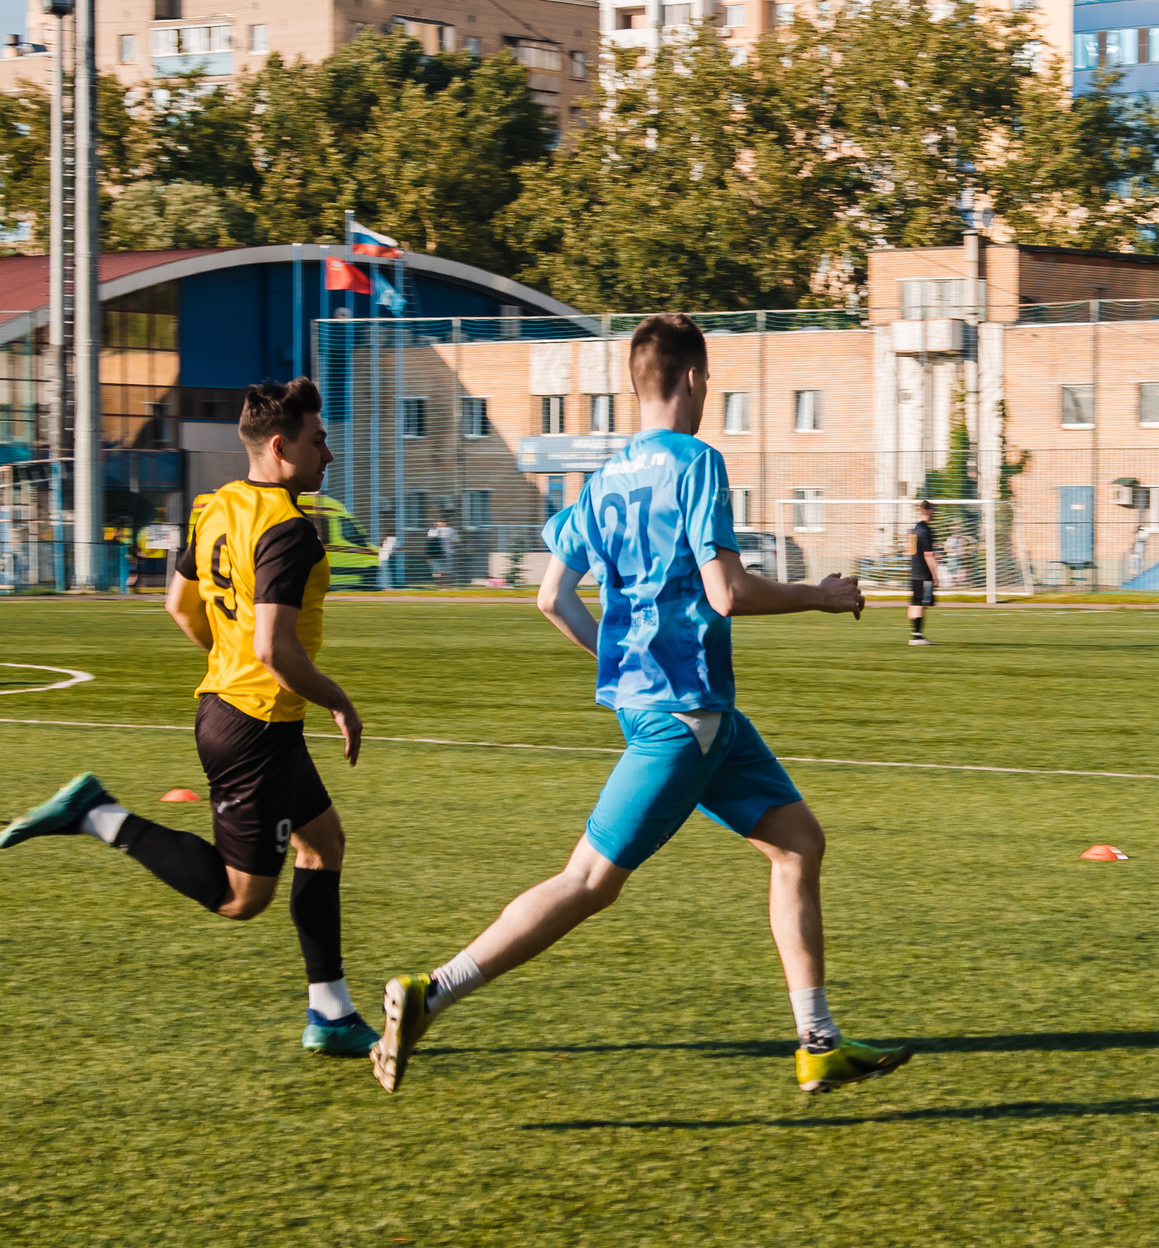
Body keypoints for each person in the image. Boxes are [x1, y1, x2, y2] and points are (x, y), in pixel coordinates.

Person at [369, 315, 912, 1098]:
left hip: (696, 717)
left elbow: (551, 596)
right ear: (692, 379)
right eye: (708, 381)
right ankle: (435, 988)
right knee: (589, 879)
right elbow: (726, 592)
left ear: (636, 383)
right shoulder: (697, 464)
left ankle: (818, 1039)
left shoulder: (605, 478)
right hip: (684, 716)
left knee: (797, 843)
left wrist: (619, 662)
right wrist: (818, 597)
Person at [0, 378, 381, 1061]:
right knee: (240, 899)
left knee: (323, 843)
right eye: (318, 441)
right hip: (254, 726)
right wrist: (338, 698)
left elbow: (179, 607)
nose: (330, 454)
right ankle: (96, 814)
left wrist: (236, 661)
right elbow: (273, 647)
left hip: (245, 711)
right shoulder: (289, 530)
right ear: (280, 445)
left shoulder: (215, 505)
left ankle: (331, 1011)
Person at [905, 498, 940, 646]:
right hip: (923, 573)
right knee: (921, 604)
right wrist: (935, 574)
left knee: (914, 603)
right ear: (928, 511)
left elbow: (911, 551)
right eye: (932, 511)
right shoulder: (926, 530)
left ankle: (914, 634)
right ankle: (918, 637)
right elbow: (928, 555)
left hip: (914, 571)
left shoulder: (914, 529)